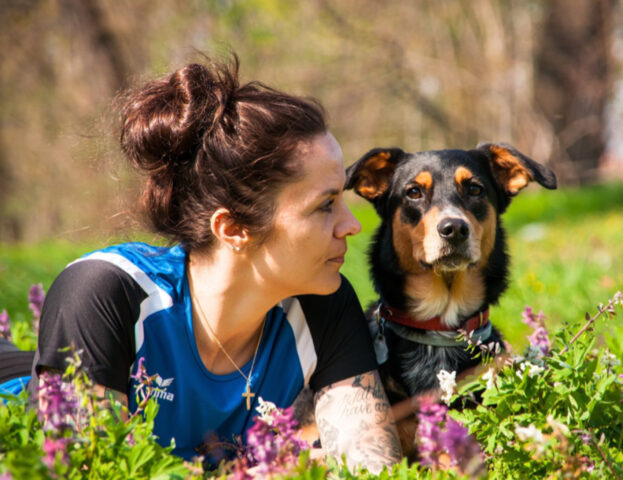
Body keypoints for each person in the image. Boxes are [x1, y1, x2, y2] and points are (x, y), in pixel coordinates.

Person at [20, 55, 401, 471]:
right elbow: (87, 471)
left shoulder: (322, 302)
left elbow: (373, 470)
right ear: (235, 227)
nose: (351, 226)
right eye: (325, 205)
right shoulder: (103, 293)